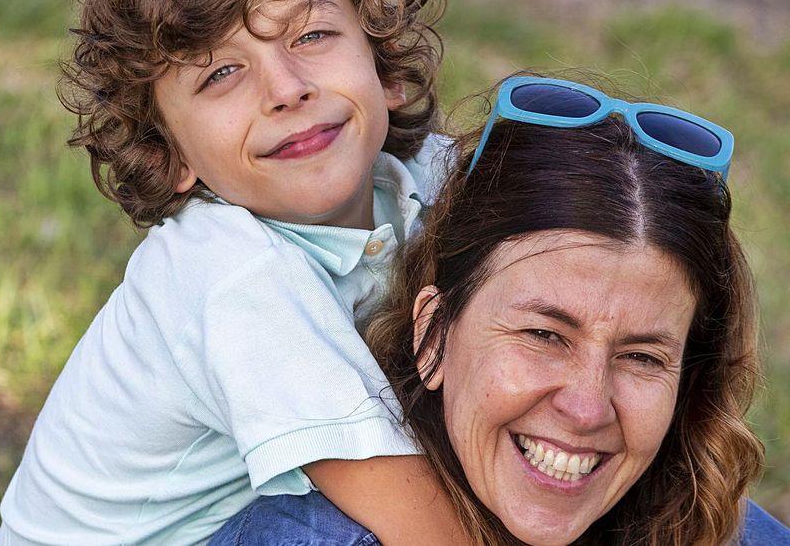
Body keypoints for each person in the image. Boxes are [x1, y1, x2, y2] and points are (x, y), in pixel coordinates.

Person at [211, 75, 790, 544]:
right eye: (543, 335)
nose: (587, 407)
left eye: (642, 356)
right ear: (433, 335)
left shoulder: (713, 526)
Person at [0, 0, 471, 543]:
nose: (286, 89)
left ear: (383, 68)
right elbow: (424, 525)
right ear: (169, 154)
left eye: (311, 36)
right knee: (340, 529)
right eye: (221, 73)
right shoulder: (226, 270)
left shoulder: (428, 173)